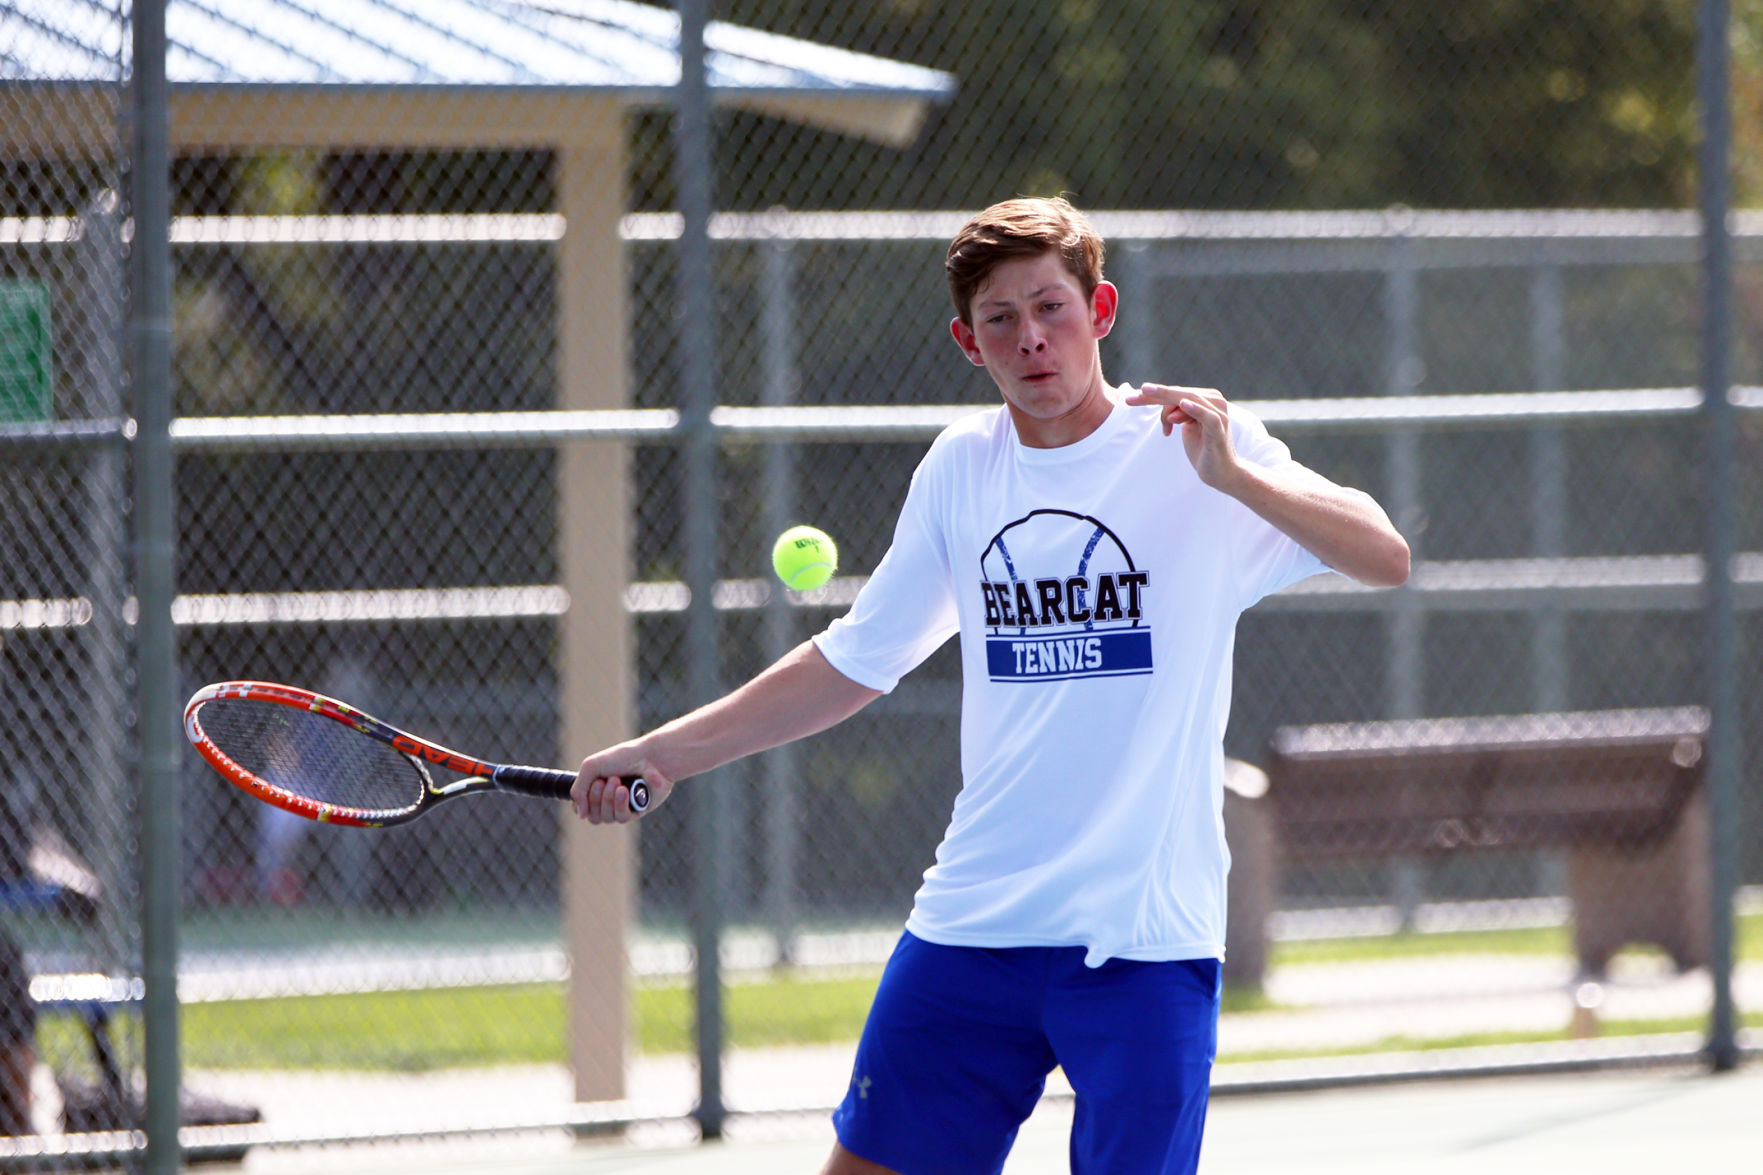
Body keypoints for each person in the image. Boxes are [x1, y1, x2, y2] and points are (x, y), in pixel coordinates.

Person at [572, 196, 1410, 1175]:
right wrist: (661, 753)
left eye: (1050, 307)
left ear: (1097, 310)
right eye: (1000, 319)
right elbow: (853, 658)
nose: (1031, 338)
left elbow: (1383, 554)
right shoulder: (960, 468)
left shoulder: (1193, 451)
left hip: (1141, 942)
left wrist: (1237, 478)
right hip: (973, 924)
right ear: (968, 343)